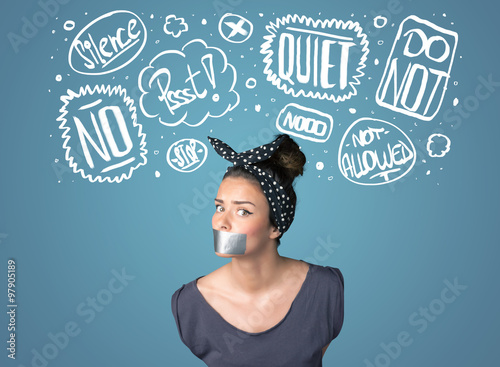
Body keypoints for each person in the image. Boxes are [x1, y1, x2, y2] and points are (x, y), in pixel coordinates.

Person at [171, 134, 344, 367]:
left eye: (243, 211)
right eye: (219, 207)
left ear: (275, 227)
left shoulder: (325, 289)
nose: (222, 222)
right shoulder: (189, 303)